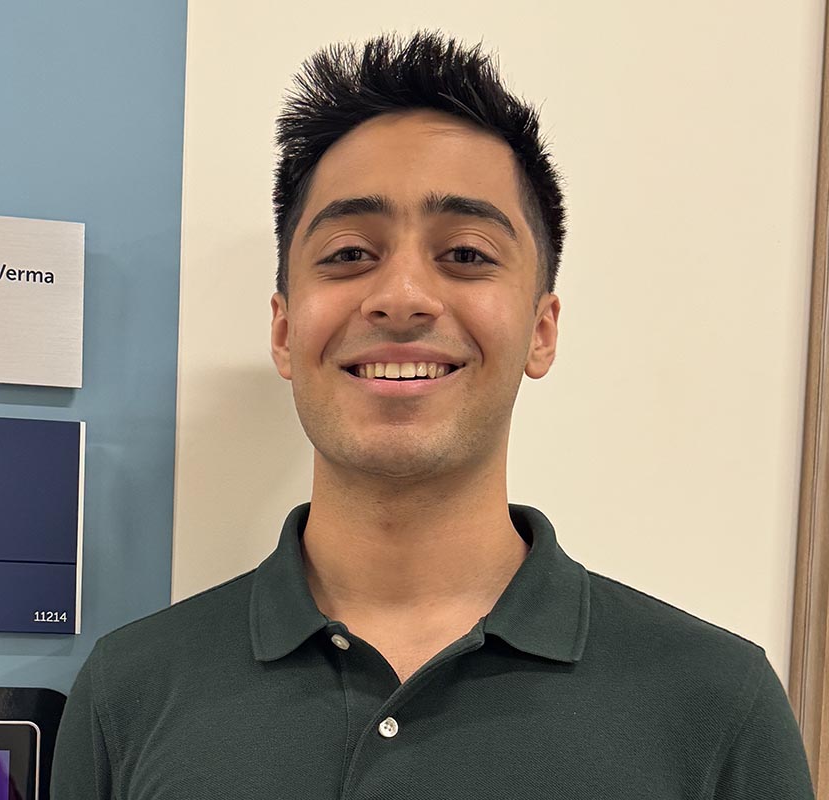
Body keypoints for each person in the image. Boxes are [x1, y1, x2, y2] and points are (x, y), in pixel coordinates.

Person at [51, 31, 814, 798]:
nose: (403, 296)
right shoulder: (131, 691)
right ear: (285, 331)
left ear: (540, 330)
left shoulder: (719, 706)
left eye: (467, 255)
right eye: (350, 253)